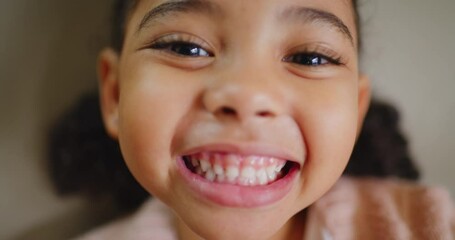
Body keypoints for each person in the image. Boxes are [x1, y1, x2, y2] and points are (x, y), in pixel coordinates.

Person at [48, 0, 454, 239]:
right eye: (186, 48)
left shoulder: (425, 225)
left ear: (356, 109)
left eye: (309, 58)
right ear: (115, 94)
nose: (247, 95)